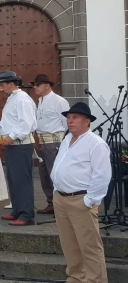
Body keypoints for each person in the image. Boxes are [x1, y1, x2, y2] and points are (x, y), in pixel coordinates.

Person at [51, 102, 111, 283]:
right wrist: (56, 188)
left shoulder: (96, 144)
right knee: (69, 244)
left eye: (75, 117)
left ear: (87, 121)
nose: (70, 121)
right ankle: (76, 277)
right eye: (68, 117)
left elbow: (102, 175)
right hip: (61, 198)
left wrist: (90, 200)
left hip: (80, 199)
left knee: (89, 246)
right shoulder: (67, 139)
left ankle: (95, 280)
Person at [0, 71, 37, 226]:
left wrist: (11, 135)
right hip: (13, 145)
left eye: (2, 84)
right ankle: (17, 210)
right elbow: (12, 121)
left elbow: (27, 123)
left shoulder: (22, 99)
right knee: (13, 179)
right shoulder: (13, 99)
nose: (0, 87)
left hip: (21, 145)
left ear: (11, 84)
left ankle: (26, 214)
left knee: (22, 180)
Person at [32, 74, 70, 214]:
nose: (35, 87)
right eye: (35, 85)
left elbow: (66, 124)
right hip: (42, 142)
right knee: (44, 175)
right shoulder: (40, 101)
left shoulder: (59, 101)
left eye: (38, 84)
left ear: (47, 85)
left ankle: (61, 205)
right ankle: (51, 203)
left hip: (54, 142)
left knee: (55, 174)